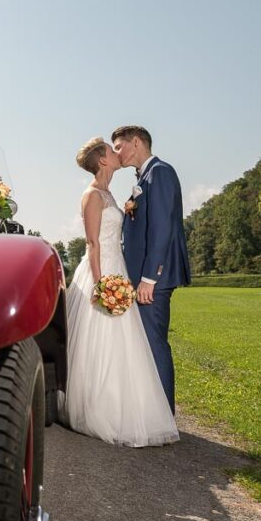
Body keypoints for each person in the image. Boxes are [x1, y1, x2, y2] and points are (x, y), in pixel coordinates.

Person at [61, 137, 179, 447]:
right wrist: (102, 284)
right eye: (111, 151)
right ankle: (103, 409)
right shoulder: (92, 196)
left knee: (127, 343)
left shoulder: (110, 194)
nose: (117, 153)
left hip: (119, 269)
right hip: (103, 272)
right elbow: (92, 243)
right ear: (102, 161)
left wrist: (128, 214)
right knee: (102, 340)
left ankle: (135, 407)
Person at [112, 125, 191, 414]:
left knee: (155, 344)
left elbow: (162, 228)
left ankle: (163, 416)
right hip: (143, 277)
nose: (117, 153)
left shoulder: (160, 173)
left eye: (119, 147)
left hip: (153, 279)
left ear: (136, 143)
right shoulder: (145, 177)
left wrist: (149, 278)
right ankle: (151, 412)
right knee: (145, 343)